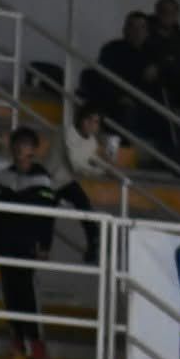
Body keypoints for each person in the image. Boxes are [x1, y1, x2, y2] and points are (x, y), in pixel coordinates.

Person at [0, 126, 57, 359]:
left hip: (28, 245)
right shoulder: (1, 177)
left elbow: (47, 216)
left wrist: (44, 244)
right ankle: (16, 338)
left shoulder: (43, 179)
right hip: (7, 243)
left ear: (34, 151)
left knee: (28, 292)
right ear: (13, 150)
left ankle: (36, 342)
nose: (21, 154)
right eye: (17, 149)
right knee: (10, 291)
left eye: (26, 149)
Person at [46, 105, 105, 261]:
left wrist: (106, 164)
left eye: (96, 122)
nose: (92, 125)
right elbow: (76, 164)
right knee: (46, 218)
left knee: (85, 207)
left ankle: (94, 247)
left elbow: (90, 160)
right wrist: (102, 170)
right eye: (89, 120)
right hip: (50, 180)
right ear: (81, 120)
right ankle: (42, 251)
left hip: (66, 181)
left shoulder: (92, 142)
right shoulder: (66, 132)